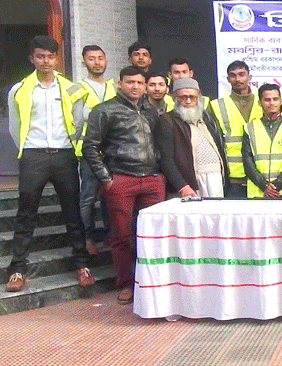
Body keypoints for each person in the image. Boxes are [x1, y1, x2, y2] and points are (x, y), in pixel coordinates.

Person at [6, 35, 93, 292]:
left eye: (50, 56)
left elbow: (79, 122)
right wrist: (27, 149)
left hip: (65, 154)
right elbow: (15, 126)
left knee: (73, 212)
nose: (46, 61)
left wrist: (72, 147)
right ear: (32, 58)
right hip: (33, 155)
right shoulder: (19, 90)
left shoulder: (71, 88)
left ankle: (82, 265)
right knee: (26, 213)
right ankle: (17, 269)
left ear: (57, 59)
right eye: (40, 56)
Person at [82, 66, 170, 304]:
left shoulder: (150, 111)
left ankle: (150, 283)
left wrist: (160, 175)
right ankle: (127, 284)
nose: (135, 87)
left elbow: (159, 143)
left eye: (140, 83)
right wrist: (106, 179)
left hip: (152, 180)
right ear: (119, 84)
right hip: (121, 179)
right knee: (121, 236)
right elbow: (90, 147)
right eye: (130, 82)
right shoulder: (104, 110)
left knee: (151, 235)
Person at [73, 45, 116, 255]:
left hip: (112, 152)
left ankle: (110, 235)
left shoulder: (114, 87)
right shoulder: (77, 88)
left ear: (106, 61)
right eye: (91, 58)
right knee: (88, 198)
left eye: (100, 58)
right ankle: (88, 238)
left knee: (110, 196)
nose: (97, 62)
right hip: (88, 152)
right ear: (84, 62)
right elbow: (74, 122)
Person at [161, 78, 226, 198]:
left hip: (216, 179)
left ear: (199, 97)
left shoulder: (208, 118)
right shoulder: (167, 121)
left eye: (192, 97)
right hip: (191, 183)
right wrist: (182, 186)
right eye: (183, 97)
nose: (188, 101)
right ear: (175, 98)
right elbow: (166, 159)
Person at [208, 61, 262, 198]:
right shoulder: (216, 106)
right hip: (233, 177)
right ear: (228, 79)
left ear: (249, 77)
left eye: (241, 74)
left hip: (262, 175)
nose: (237, 79)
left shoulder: (263, 103)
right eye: (233, 75)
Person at [242, 83, 282, 198]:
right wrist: (264, 185)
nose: (272, 103)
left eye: (275, 99)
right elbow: (247, 160)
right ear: (259, 103)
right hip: (258, 192)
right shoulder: (249, 128)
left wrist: (276, 186)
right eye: (267, 100)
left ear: (281, 101)